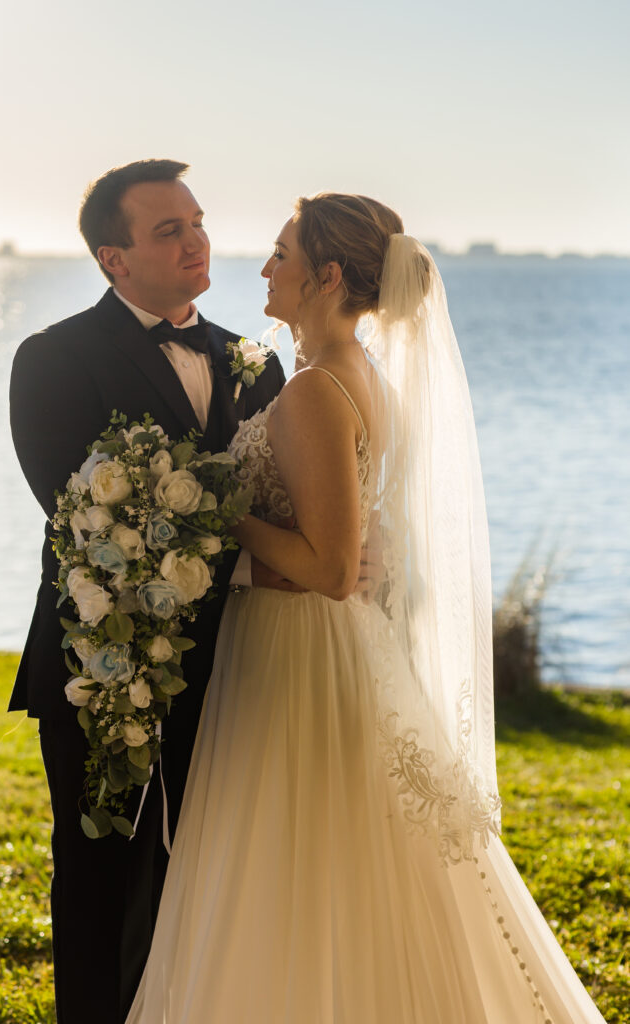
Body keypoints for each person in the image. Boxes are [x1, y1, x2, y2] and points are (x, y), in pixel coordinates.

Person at [126, 193, 606, 1022]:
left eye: (281, 253)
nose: (265, 267)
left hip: (297, 649)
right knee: (334, 860)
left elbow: (331, 567)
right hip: (326, 645)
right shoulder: (360, 375)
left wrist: (219, 518)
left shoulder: (316, 389)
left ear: (328, 274)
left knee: (290, 854)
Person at [8, 159, 286, 1024]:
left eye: (197, 220)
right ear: (111, 259)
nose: (196, 238)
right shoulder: (52, 359)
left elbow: (279, 502)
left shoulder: (254, 362)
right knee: (99, 868)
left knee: (215, 869)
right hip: (102, 661)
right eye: (168, 229)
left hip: (242, 665)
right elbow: (78, 516)